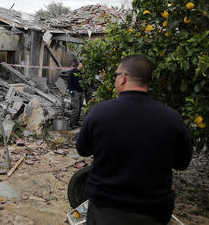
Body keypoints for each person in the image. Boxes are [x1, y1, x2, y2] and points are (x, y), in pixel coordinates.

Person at [76, 54, 192, 225]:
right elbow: (182, 163)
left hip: (105, 211)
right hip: (153, 213)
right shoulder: (172, 119)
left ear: (123, 78)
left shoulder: (99, 112)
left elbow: (83, 149)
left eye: (115, 76)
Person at [68, 62, 84, 128]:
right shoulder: (73, 71)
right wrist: (70, 90)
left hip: (81, 92)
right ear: (79, 63)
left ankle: (76, 122)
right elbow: (69, 81)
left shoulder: (83, 73)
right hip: (75, 92)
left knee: (80, 107)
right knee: (76, 108)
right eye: (82, 64)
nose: (83, 66)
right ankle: (72, 123)